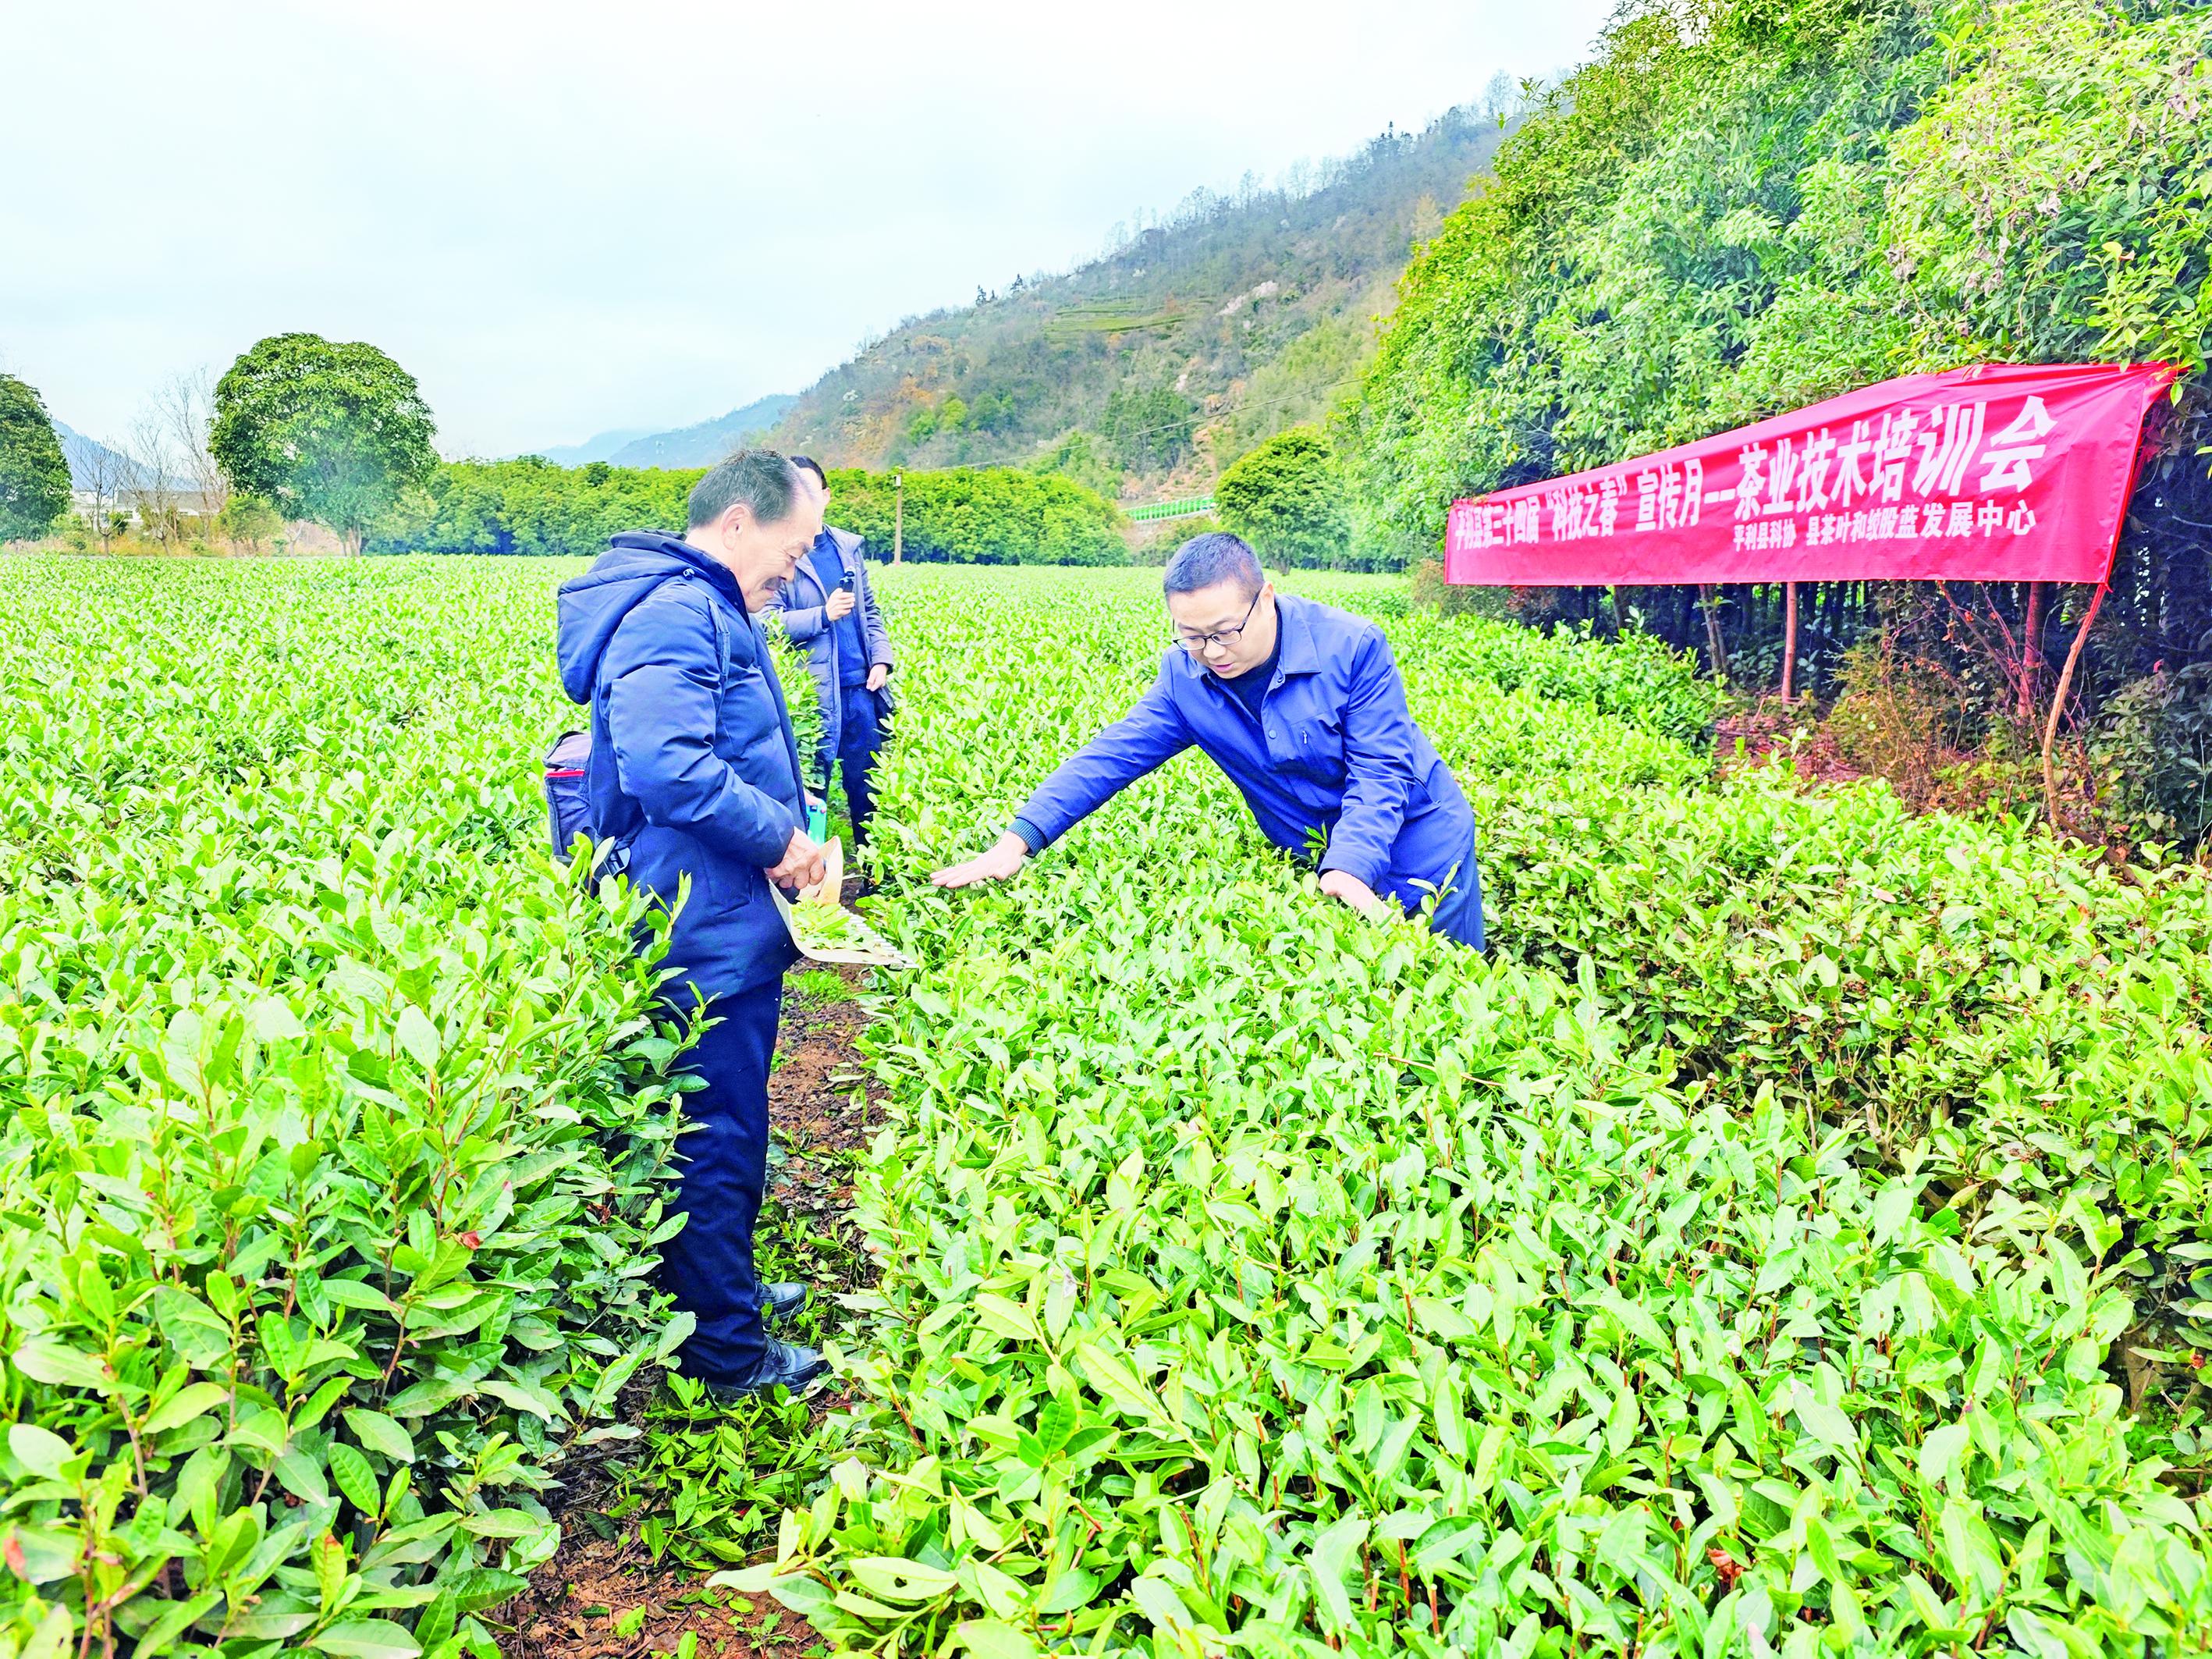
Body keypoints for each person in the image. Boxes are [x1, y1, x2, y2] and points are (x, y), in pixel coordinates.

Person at [555, 449, 833, 1401]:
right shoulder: (675, 611)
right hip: (696, 922)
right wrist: (780, 840)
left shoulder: (704, 605)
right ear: (740, 522)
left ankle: (727, 1294)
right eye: (794, 547)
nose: (797, 568)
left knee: (731, 1126)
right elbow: (667, 767)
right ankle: (724, 1353)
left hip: (716, 910)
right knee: (712, 1139)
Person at [933, 532, 1483, 947]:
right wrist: (1017, 841)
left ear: (1266, 598)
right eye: (1192, 636)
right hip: (1320, 859)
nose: (1213, 652)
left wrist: (1351, 864)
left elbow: (1380, 769)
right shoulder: (1184, 678)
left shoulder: (1353, 646)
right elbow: (1109, 757)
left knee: (1446, 981)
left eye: (1225, 632)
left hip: (1420, 844)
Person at [774, 456, 895, 845]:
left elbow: (870, 610)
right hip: (813, 694)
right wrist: (822, 615)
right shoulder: (779, 549)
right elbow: (768, 622)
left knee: (868, 788)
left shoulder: (846, 547)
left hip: (861, 689)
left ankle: (873, 870)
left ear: (826, 496)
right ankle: (809, 875)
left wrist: (881, 659)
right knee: (812, 791)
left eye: (811, 491)